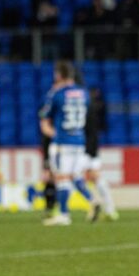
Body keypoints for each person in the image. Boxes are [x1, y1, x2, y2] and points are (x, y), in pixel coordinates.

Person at [39, 60, 100, 226]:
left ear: (58, 74)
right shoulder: (84, 93)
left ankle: (64, 214)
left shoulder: (57, 94)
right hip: (79, 141)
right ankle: (92, 200)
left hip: (62, 142)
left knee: (61, 177)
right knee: (75, 176)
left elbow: (44, 119)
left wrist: (53, 133)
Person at [84, 87, 119, 221]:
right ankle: (109, 209)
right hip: (91, 146)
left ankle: (64, 212)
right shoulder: (91, 107)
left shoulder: (87, 108)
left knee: (68, 177)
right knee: (95, 177)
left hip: (82, 147)